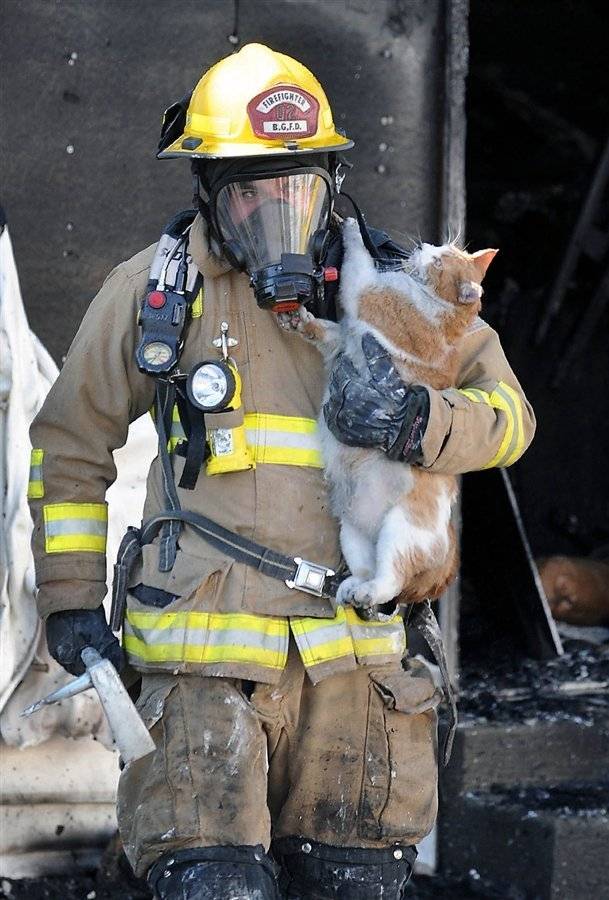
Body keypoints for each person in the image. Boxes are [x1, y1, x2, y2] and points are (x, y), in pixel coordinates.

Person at [28, 43, 536, 900]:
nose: (275, 212)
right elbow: (69, 445)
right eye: (248, 192)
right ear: (208, 193)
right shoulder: (155, 291)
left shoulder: (406, 288)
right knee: (211, 885)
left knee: (352, 885)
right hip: (201, 677)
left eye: (294, 189)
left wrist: (423, 421)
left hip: (357, 675)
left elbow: (512, 420)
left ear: (330, 183)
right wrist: (70, 600)